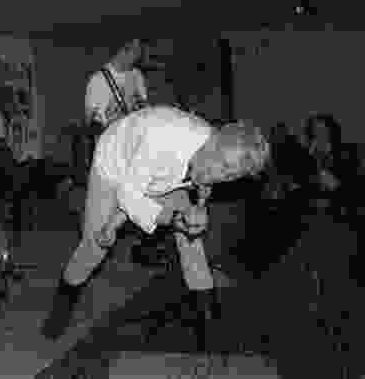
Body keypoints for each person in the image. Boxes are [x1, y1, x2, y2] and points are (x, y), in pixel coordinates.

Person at [40, 105, 269, 340]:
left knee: (192, 238)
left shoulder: (216, 151)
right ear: (214, 141)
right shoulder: (163, 139)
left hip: (164, 175)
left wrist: (197, 210)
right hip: (115, 163)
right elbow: (128, 197)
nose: (220, 175)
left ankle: (209, 325)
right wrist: (171, 218)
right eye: (222, 166)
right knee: (95, 245)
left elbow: (203, 181)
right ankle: (61, 309)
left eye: (230, 175)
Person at [84, 38, 148, 131]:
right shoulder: (98, 80)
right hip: (109, 138)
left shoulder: (137, 75)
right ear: (122, 51)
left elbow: (142, 106)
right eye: (136, 52)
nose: (139, 57)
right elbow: (89, 122)